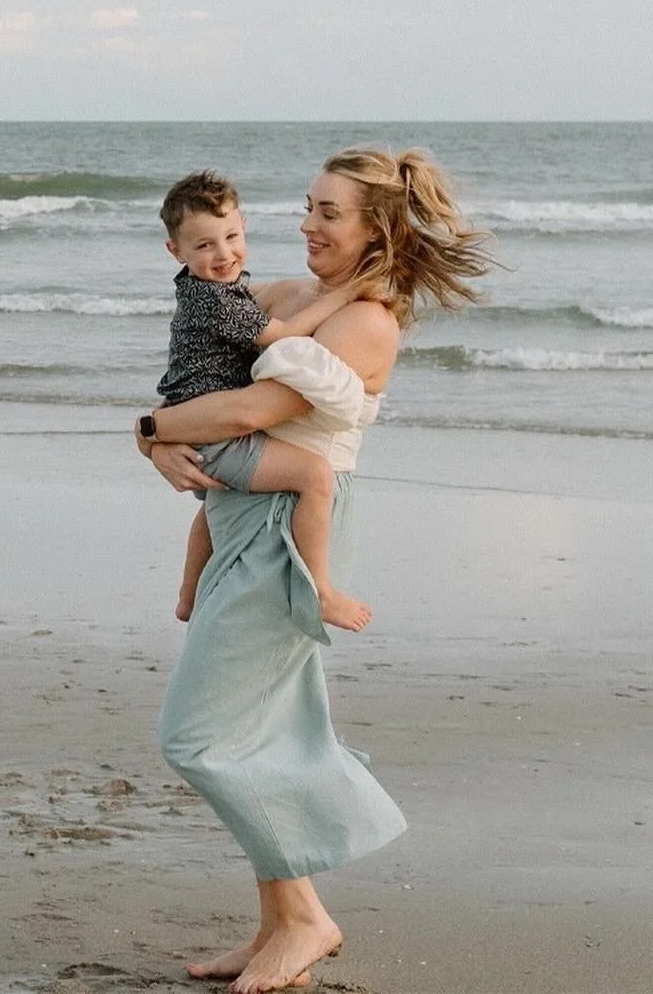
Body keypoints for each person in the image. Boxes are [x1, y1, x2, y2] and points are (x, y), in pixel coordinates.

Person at [138, 148, 492, 994]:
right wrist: (153, 435)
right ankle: (277, 928)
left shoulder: (367, 320)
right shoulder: (294, 295)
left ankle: (303, 917)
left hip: (284, 531)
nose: (307, 224)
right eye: (307, 206)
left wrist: (148, 428)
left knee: (196, 734)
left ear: (376, 229)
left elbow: (252, 409)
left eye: (329, 212)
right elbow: (206, 361)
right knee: (261, 731)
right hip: (241, 515)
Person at [148, 170, 372, 633]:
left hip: (196, 427)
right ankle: (321, 590)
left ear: (244, 225)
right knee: (315, 475)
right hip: (215, 433)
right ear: (176, 251)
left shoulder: (209, 289)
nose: (224, 254)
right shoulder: (218, 300)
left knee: (213, 507)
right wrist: (347, 294)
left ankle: (188, 596)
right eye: (205, 245)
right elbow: (284, 334)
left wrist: (149, 433)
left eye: (231, 237)